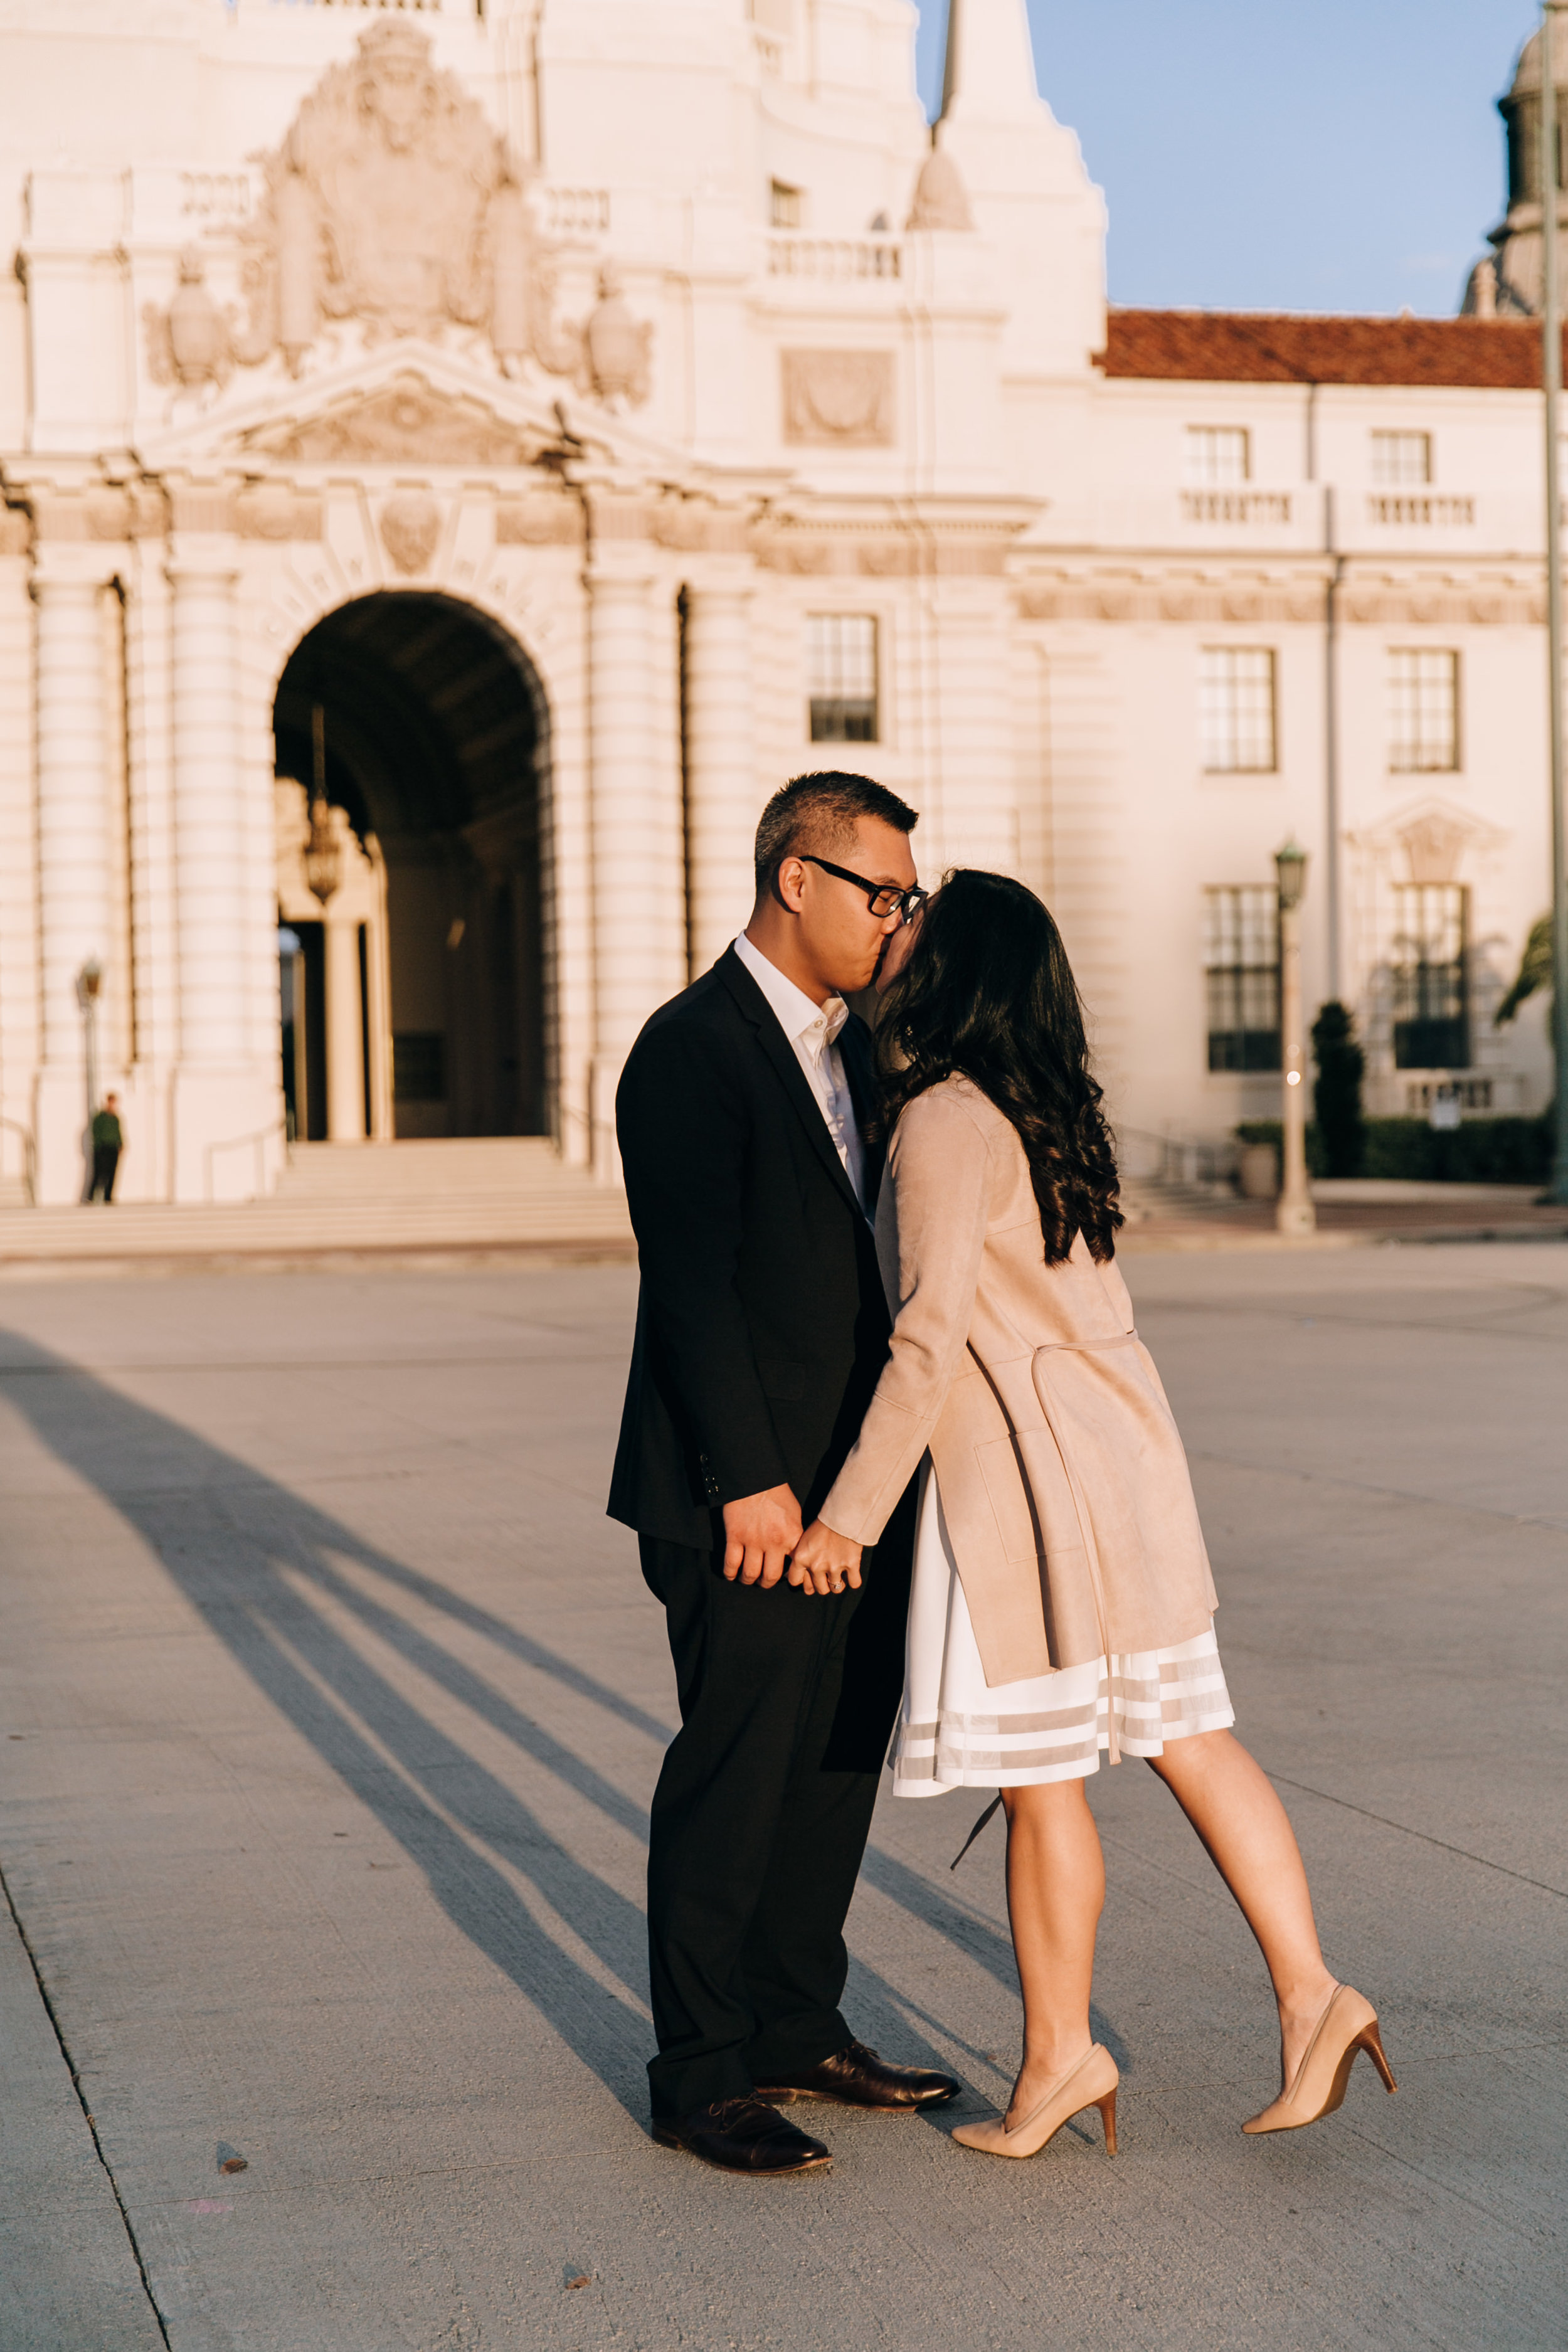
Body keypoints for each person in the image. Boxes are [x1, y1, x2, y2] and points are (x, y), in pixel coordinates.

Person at [792, 871, 1396, 2161]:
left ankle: (1060, 2062)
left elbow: (928, 1341)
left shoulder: (946, 1119)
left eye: (919, 928)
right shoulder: (1046, 1105)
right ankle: (1310, 1996)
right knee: (1192, 1736)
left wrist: (847, 1516)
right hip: (1121, 1467)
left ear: (954, 972)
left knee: (1039, 1781)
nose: (897, 940)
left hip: (1026, 1489)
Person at [610, 772, 961, 2178]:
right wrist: (746, 1479)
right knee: (735, 1769)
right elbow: (689, 1286)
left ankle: (792, 2023)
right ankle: (697, 2067)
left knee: (829, 1764)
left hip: (851, 1494)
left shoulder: (864, 1050)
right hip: (739, 1495)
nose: (897, 921)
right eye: (882, 893)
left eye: (910, 899)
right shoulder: (689, 1048)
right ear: (795, 879)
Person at [89, 1094, 123, 1203]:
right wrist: (99, 1146)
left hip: (113, 1148)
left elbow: (118, 1133)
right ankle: (91, 1196)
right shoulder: (100, 1117)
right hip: (102, 1148)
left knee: (112, 1173)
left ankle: (108, 1197)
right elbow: (96, 1132)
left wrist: (121, 1145)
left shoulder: (115, 1118)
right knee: (99, 1172)